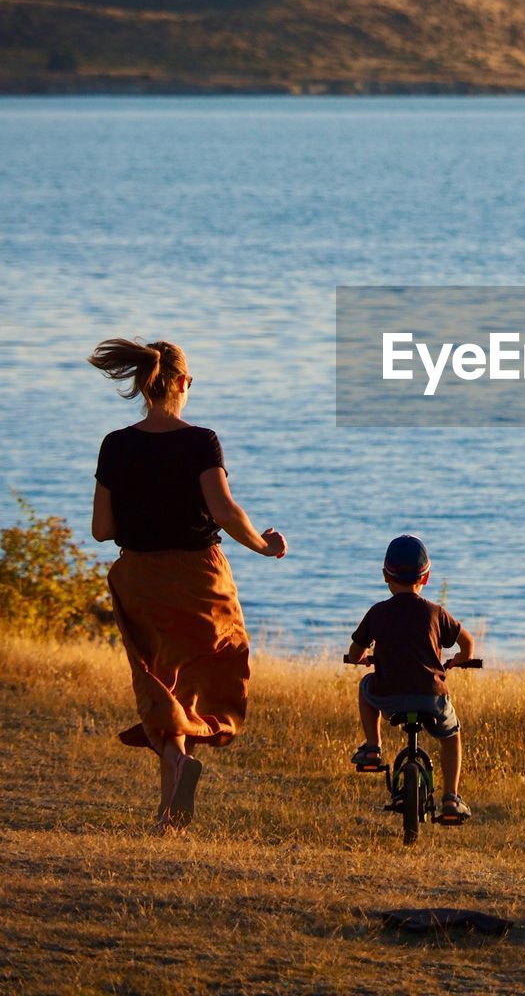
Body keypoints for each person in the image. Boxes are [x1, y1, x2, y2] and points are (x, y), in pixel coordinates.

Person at [88, 337, 287, 832]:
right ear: (183, 383)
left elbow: (101, 529)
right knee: (208, 677)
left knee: (160, 686)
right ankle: (175, 786)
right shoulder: (201, 441)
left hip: (140, 580)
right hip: (200, 578)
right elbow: (223, 509)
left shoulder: (116, 444)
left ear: (141, 384)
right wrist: (263, 546)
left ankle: (170, 799)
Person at [345, 534, 474, 822]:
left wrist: (361, 659)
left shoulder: (377, 612)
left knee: (365, 686)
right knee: (451, 737)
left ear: (384, 576)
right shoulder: (436, 612)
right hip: (432, 697)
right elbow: (467, 643)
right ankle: (451, 798)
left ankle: (373, 747)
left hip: (388, 695)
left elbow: (355, 653)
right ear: (425, 577)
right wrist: (458, 660)